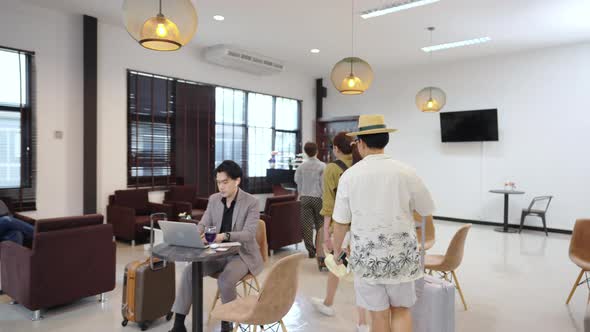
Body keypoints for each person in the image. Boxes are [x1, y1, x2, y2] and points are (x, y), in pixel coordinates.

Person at [332, 115, 435, 332]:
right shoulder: (406, 172)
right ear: (385, 140)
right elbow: (426, 210)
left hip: (367, 258)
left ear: (360, 143)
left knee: (378, 317)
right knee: (401, 310)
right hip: (401, 256)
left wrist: (336, 252)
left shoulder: (349, 176)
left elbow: (340, 222)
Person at [169, 160, 263, 332]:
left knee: (225, 279)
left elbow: (249, 234)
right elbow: (203, 224)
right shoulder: (214, 199)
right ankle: (178, 324)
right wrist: (195, 234)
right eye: (218, 182)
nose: (221, 187)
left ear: (237, 180)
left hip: (241, 254)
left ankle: (227, 324)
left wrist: (223, 236)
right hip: (217, 252)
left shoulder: (251, 202)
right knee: (190, 272)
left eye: (225, 182)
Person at [311, 132, 369, 332]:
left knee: (338, 261)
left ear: (335, 148)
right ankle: (335, 307)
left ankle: (357, 319)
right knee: (349, 267)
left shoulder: (332, 169)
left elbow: (329, 205)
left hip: (342, 228)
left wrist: (326, 233)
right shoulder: (362, 164)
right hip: (362, 226)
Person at [294, 142, 325, 258]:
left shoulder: (301, 166)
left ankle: (311, 251)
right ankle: (321, 250)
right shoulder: (322, 166)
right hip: (318, 197)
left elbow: (297, 180)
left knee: (306, 225)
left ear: (305, 152)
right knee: (320, 225)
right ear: (317, 151)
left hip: (304, 197)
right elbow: (323, 184)